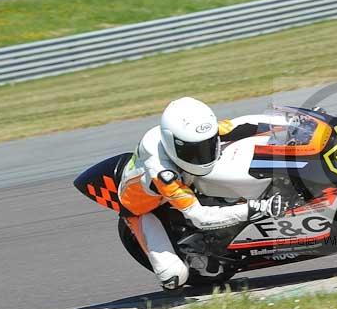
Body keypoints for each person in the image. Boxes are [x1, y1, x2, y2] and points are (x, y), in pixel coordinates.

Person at [118, 97, 282, 290]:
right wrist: (256, 209)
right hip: (144, 210)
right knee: (173, 278)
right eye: (195, 151)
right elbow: (200, 217)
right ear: (174, 145)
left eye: (208, 145)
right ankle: (192, 255)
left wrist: (292, 121)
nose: (204, 154)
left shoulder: (190, 135)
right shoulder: (163, 173)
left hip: (186, 177)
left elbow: (238, 125)